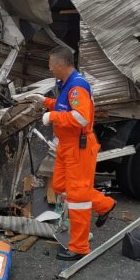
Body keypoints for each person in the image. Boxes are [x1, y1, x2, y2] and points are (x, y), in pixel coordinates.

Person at [27, 46, 116, 261]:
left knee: (77, 197)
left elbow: (81, 118)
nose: (49, 68)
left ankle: (79, 247)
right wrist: (45, 102)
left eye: (50, 64)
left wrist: (53, 117)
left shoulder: (77, 87)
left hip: (79, 147)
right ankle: (105, 205)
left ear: (60, 64)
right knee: (59, 186)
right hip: (68, 146)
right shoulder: (65, 84)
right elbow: (63, 106)